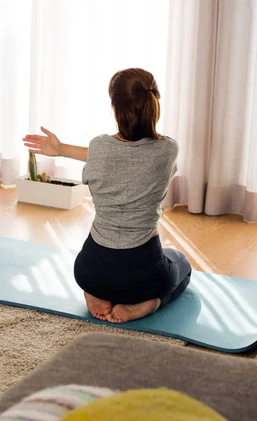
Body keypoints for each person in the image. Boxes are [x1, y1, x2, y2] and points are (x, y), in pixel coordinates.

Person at [23, 68, 192, 323]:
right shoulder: (168, 149)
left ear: (115, 107)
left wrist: (59, 150)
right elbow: (132, 156)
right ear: (154, 102)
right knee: (182, 265)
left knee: (104, 274)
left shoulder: (99, 147)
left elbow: (108, 156)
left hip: (90, 270)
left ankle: (96, 294)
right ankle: (150, 302)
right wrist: (60, 149)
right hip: (144, 276)